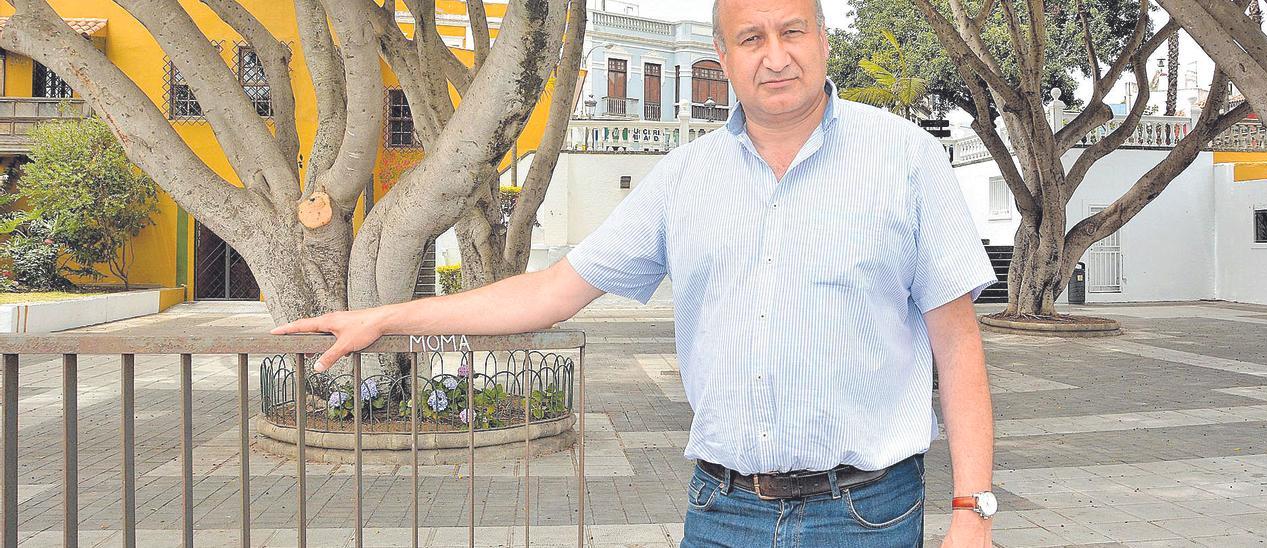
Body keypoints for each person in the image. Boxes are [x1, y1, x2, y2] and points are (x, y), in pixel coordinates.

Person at [274, 0, 999, 545]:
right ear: (723, 53)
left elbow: (958, 346)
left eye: (792, 32)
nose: (775, 55)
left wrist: (972, 508)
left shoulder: (907, 161)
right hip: (724, 514)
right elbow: (553, 291)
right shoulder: (684, 180)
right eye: (751, 38)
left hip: (867, 513)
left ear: (822, 38)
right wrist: (387, 315)